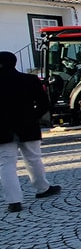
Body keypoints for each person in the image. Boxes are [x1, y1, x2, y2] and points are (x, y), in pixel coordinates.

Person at [0, 51, 61, 213]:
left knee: (6, 164)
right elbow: (43, 104)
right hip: (28, 125)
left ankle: (14, 201)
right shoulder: (30, 79)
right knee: (33, 158)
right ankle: (42, 188)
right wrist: (32, 117)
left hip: (2, 129)